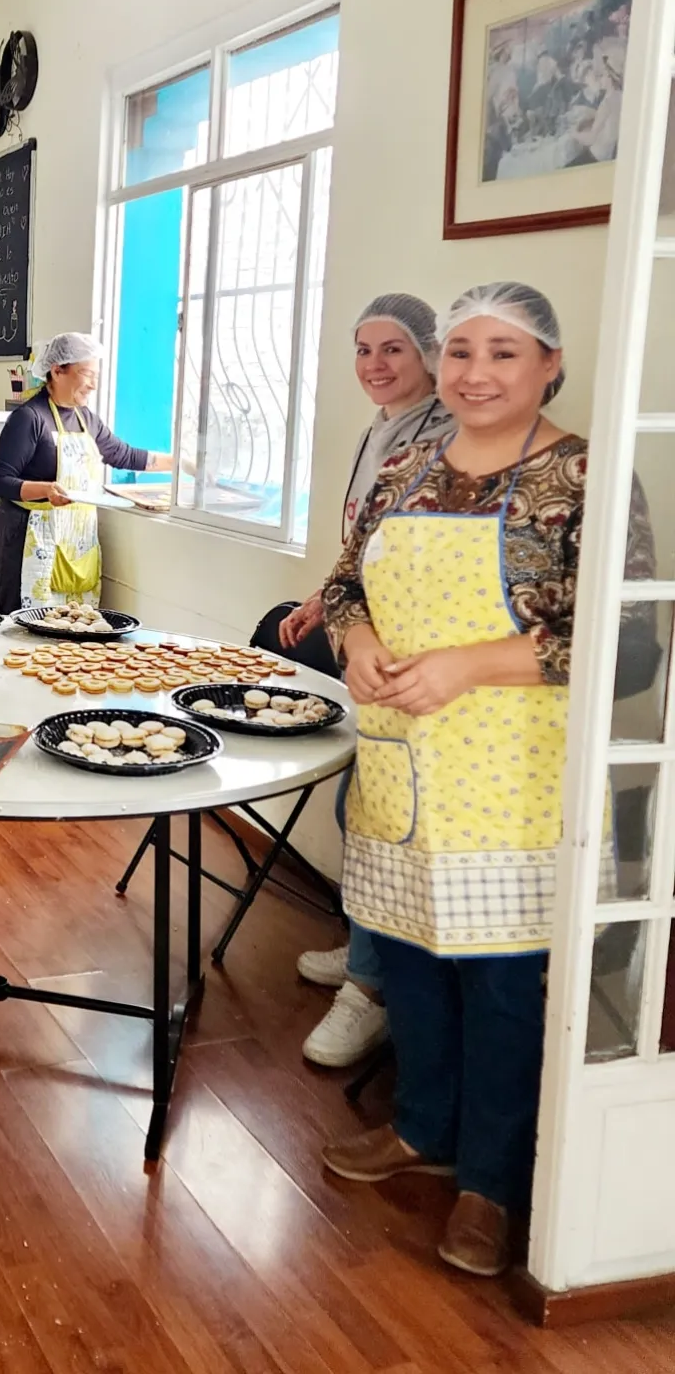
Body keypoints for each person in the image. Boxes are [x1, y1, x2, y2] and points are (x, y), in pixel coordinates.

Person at [317, 282, 655, 1278]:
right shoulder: (409, 463)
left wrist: (471, 662)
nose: (474, 373)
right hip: (401, 760)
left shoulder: (586, 475)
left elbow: (629, 641)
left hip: (513, 770)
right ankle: (423, 1129)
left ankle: (491, 1185)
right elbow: (343, 583)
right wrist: (361, 638)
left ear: (549, 363)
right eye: (458, 350)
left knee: (507, 983)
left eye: (502, 353)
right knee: (413, 961)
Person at [258, 293, 456, 1070]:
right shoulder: (386, 429)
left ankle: (371, 990)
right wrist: (325, 598)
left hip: (417, 652)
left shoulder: (444, 435)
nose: (374, 365)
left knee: (378, 808)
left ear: (428, 356)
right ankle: (366, 948)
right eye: (363, 349)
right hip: (367, 634)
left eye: (393, 350)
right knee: (363, 802)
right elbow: (365, 544)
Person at [0, 333, 174, 611]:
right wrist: (45, 491)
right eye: (87, 374)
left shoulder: (86, 419)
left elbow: (124, 455)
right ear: (57, 371)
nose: (94, 385)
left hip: (75, 544)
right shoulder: (30, 418)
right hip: (28, 542)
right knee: (21, 631)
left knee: (70, 630)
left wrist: (181, 464)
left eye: (97, 375)